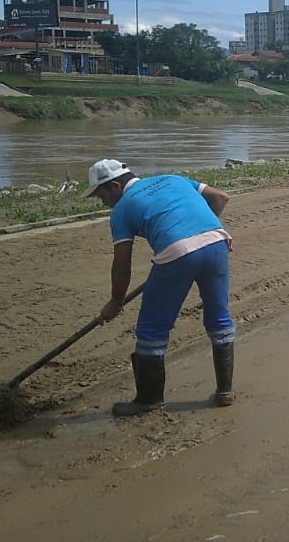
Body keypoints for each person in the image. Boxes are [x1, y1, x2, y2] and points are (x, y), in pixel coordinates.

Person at [85, 158, 237, 416]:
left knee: (151, 327)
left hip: (176, 253)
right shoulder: (173, 179)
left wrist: (116, 302)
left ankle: (149, 398)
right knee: (219, 318)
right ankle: (225, 391)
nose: (103, 202)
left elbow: (122, 266)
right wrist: (199, 235)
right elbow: (220, 197)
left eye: (102, 196)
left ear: (115, 187)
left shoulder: (121, 210)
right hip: (216, 242)